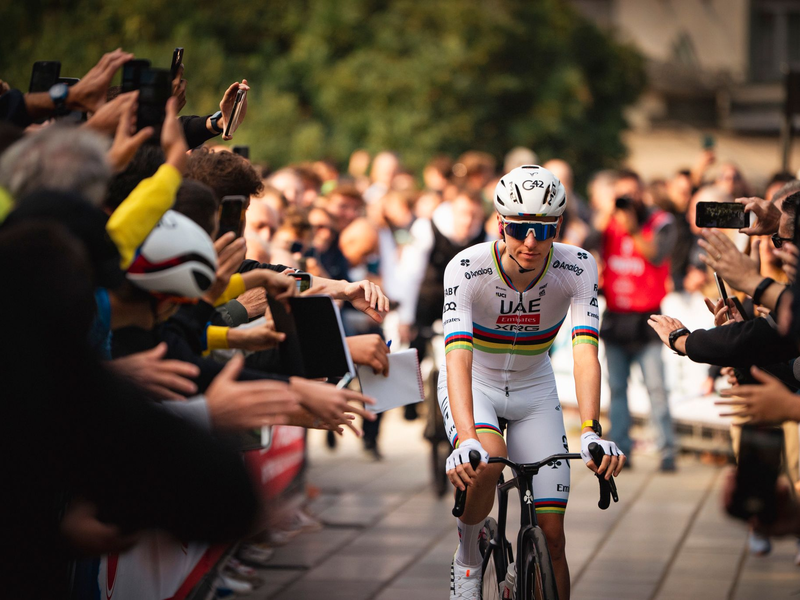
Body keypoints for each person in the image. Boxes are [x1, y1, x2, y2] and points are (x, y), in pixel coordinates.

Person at [441, 165, 623, 600]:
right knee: (489, 458)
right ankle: (467, 559)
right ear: (500, 224)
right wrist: (466, 437)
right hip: (477, 383)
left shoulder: (577, 266)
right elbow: (458, 356)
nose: (530, 242)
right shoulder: (467, 268)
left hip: (535, 388)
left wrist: (593, 430)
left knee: (553, 536)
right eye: (519, 228)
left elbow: (584, 352)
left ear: (557, 226)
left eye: (543, 231)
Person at [599, 169, 678, 472]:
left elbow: (656, 255)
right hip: (617, 316)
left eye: (631, 194)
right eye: (621, 195)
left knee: (656, 388)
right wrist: (607, 216)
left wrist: (632, 229)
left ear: (642, 193)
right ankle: (621, 450)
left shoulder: (660, 222)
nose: (626, 201)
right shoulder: (609, 223)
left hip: (649, 319)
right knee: (617, 389)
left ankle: (667, 449)